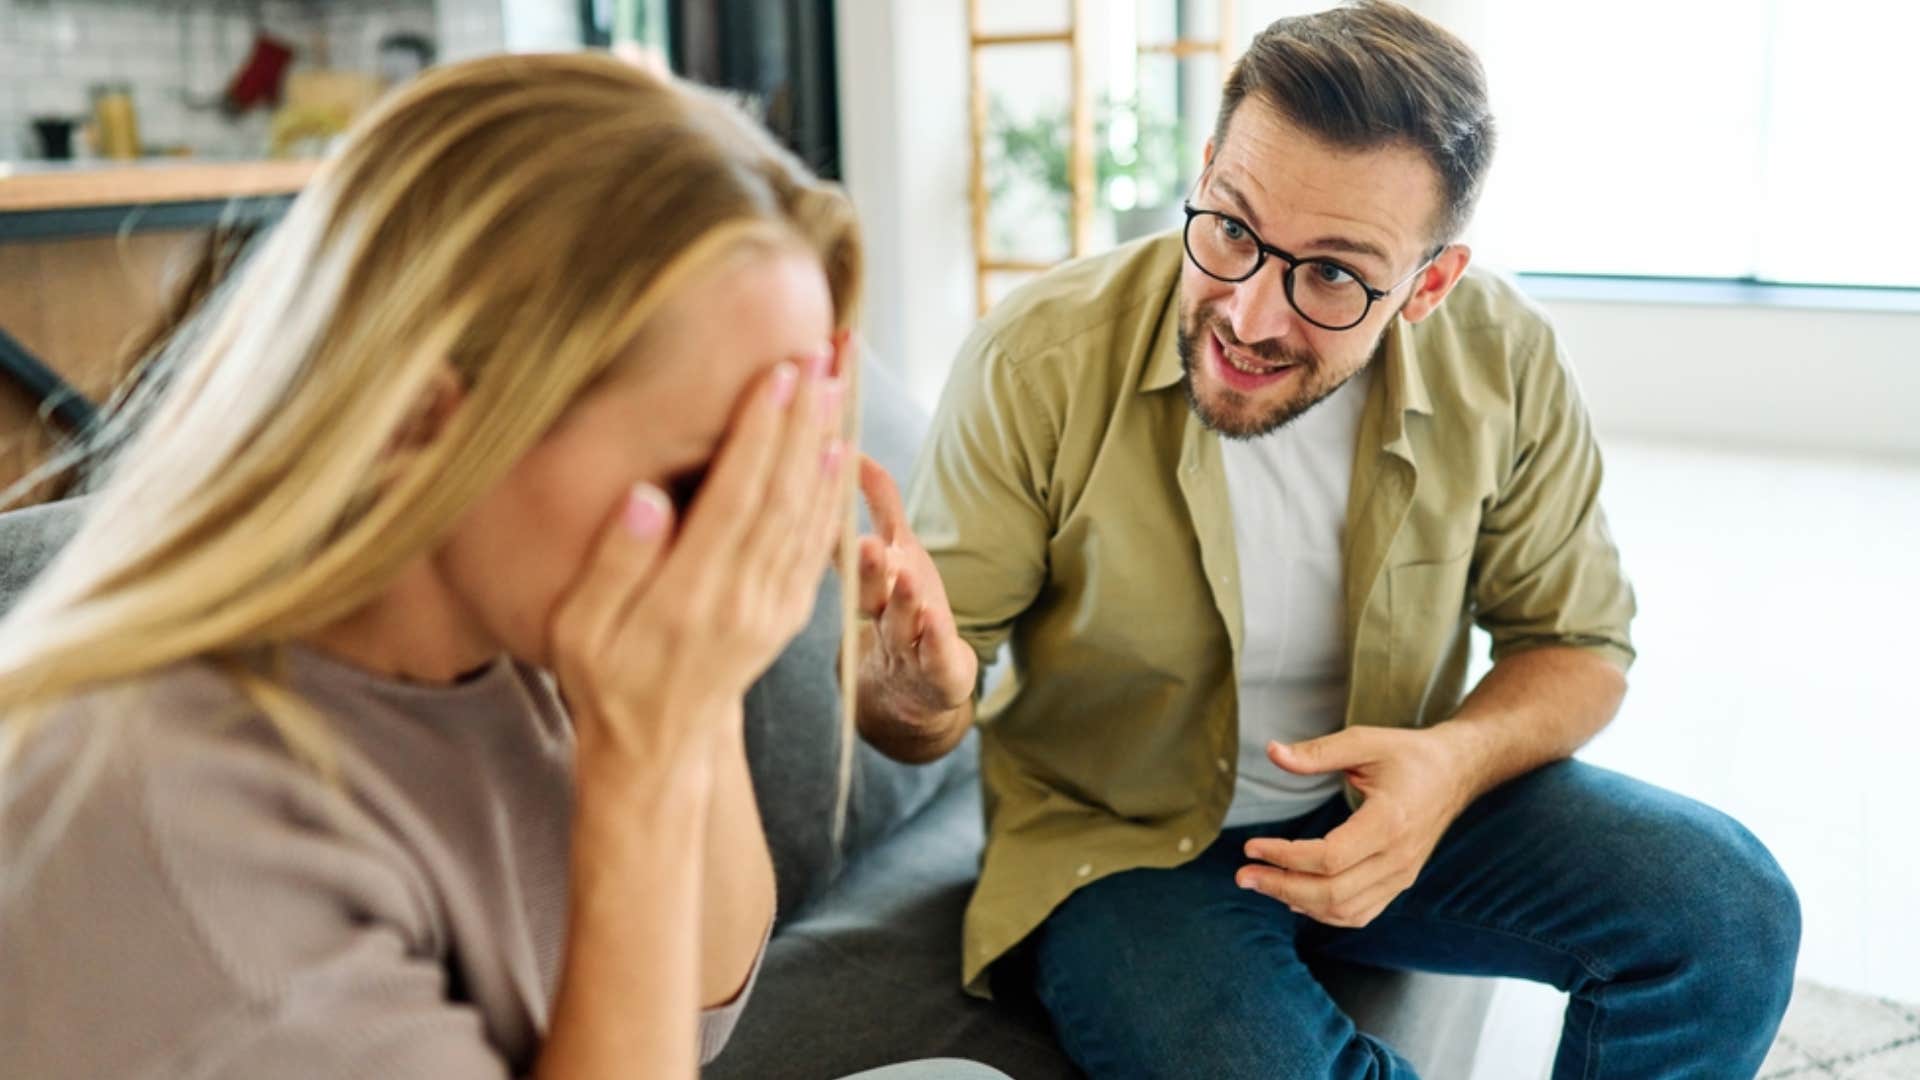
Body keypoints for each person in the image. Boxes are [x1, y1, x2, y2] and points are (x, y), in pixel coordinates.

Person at [0, 53, 1001, 1080]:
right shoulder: (177, 841)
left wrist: (695, 705)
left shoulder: (507, 640)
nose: (745, 535)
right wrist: (644, 764)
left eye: (777, 456)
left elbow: (692, 1015)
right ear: (420, 421)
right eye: (710, 469)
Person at [850, 3, 1802, 1076]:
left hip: (1395, 814)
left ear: (1429, 284)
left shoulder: (1506, 357)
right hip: (1118, 848)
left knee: (1730, 914)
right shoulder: (1038, 360)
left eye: (1336, 276)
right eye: (1230, 228)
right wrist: (921, 697)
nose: (1253, 315)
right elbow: (918, 709)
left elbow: (1579, 647)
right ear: (1207, 169)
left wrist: (1449, 766)